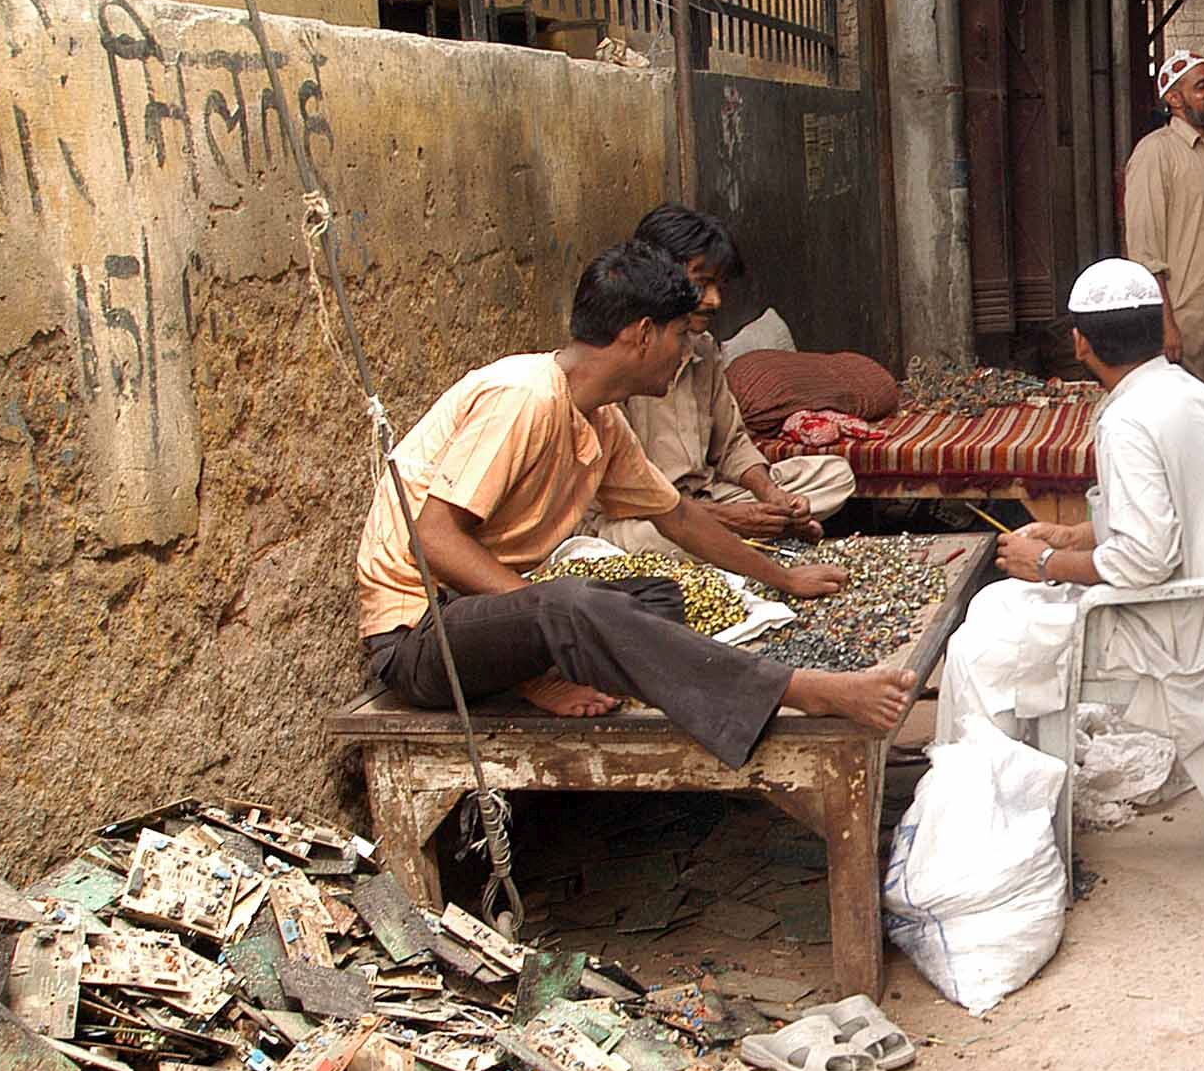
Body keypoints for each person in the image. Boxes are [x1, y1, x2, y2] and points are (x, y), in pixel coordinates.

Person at [356, 241, 915, 762]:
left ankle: (549, 664)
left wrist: (783, 578)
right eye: (680, 335)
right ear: (643, 335)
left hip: (495, 624)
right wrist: (543, 612)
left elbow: (676, 517)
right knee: (570, 604)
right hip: (421, 639)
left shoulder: (602, 418)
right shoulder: (522, 396)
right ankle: (798, 690)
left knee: (656, 596)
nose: (687, 350)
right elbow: (434, 539)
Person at [936, 261, 1204, 846]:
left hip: (1180, 624)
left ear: (1081, 343)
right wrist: (1070, 538)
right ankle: (1015, 802)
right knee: (993, 607)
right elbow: (1169, 517)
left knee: (977, 647)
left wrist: (1043, 565)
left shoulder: (1127, 419)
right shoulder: (1187, 391)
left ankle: (992, 831)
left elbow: (1144, 559)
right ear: (1154, 327)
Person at [586, 204, 856, 554]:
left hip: (707, 497)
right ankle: (743, 538)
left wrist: (770, 495)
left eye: (720, 285)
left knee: (835, 475)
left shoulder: (704, 348)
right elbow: (622, 498)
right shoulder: (626, 354)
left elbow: (731, 444)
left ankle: (748, 535)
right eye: (701, 284)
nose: (714, 300)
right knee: (654, 540)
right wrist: (728, 519)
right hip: (641, 518)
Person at [1124, 49, 1204, 412]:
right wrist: (1165, 325)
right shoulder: (1155, 154)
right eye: (1201, 86)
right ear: (1174, 100)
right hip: (1187, 321)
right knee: (1196, 427)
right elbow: (1145, 252)